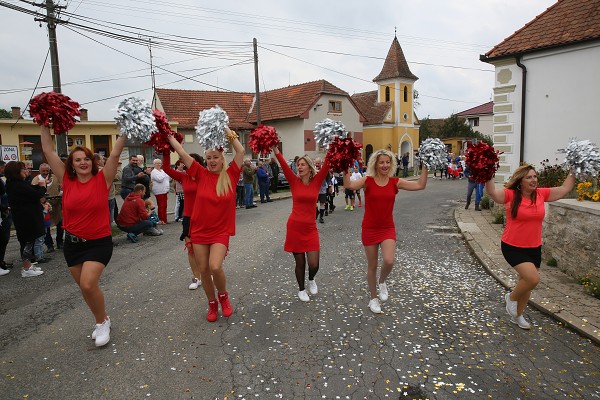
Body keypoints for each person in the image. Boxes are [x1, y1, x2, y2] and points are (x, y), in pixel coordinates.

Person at [41, 125, 126, 347]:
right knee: (85, 288)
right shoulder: (66, 181)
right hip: (72, 244)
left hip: (98, 243)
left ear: (93, 161)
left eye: (86, 158)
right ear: (72, 164)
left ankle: (101, 323)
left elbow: (115, 154)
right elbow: (49, 152)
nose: (82, 162)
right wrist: (43, 122)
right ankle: (103, 319)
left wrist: (126, 130)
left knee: (88, 285)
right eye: (77, 159)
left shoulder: (102, 179)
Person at [166, 128, 244, 322]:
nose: (211, 161)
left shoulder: (232, 174)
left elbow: (240, 151)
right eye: (208, 157)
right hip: (199, 231)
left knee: (215, 267)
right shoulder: (200, 174)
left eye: (215, 157)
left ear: (222, 158)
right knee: (204, 270)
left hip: (220, 231)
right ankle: (212, 303)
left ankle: (223, 297)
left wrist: (226, 129)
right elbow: (183, 154)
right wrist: (167, 135)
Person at [485, 164, 575, 329]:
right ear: (520, 181)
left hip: (534, 247)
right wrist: (487, 172)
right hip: (512, 246)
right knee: (533, 279)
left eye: (535, 176)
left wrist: (575, 169)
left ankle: (518, 315)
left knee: (526, 282)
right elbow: (492, 192)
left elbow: (564, 188)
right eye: (529, 177)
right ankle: (511, 298)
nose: (534, 180)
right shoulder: (511, 195)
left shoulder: (541, 194)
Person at [343, 149, 428, 314]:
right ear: (375, 163)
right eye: (381, 162)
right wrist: (345, 165)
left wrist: (426, 163)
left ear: (391, 164)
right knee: (372, 265)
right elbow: (348, 185)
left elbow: (420, 185)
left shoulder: (395, 182)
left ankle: (382, 282)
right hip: (369, 228)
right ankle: (373, 299)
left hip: (387, 228)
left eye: (387, 162)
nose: (385, 165)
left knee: (389, 261)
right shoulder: (367, 181)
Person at [273, 147, 330, 302]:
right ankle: (301, 289)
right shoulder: (294, 181)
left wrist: (332, 147)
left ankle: (311, 279)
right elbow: (283, 164)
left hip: (310, 228)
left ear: (309, 167)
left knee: (314, 264)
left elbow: (326, 166)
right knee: (300, 262)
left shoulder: (317, 182)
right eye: (298, 164)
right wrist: (274, 148)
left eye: (302, 164)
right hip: (295, 227)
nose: (299, 167)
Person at [163, 150, 203, 290]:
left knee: (205, 248)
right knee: (191, 248)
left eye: (191, 160)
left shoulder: (204, 176)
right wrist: (166, 151)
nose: (188, 163)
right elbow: (166, 168)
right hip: (188, 217)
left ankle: (207, 272)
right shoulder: (184, 177)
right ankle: (197, 277)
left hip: (204, 216)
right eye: (186, 160)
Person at [4, 161, 46, 278]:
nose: (25, 171)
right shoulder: (17, 185)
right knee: (27, 241)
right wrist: (42, 187)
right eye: (23, 169)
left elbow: (31, 189)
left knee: (29, 240)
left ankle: (28, 265)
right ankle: (26, 268)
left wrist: (39, 186)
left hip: (25, 217)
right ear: (16, 172)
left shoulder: (14, 183)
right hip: (26, 218)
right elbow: (35, 195)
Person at [0, 160, 13, 273]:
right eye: (4, 167)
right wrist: (4, 208)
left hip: (5, 213)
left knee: (4, 239)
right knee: (2, 239)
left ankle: (1, 261)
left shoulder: (2, 179)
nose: (5, 170)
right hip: (2, 213)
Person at [150, 158, 171, 224]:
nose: (159, 164)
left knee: (165, 205)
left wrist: (165, 174)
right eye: (157, 163)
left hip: (165, 190)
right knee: (161, 205)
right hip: (159, 191)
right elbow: (160, 179)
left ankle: (165, 219)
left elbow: (169, 178)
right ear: (154, 164)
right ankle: (161, 219)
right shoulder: (154, 172)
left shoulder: (162, 171)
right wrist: (165, 174)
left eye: (160, 163)